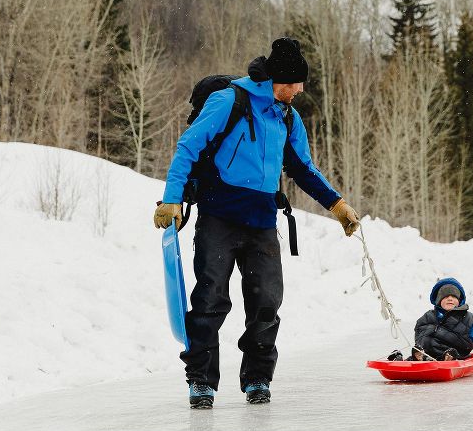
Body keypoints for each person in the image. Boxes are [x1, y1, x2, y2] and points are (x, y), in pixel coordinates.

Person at [153, 37, 360, 408]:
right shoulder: (228, 101)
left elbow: (302, 169)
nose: (299, 90)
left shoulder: (288, 116)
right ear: (276, 79)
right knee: (210, 301)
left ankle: (258, 378)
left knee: (266, 302)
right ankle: (201, 380)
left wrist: (337, 205)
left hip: (262, 220)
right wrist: (173, 199)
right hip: (219, 217)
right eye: (295, 83)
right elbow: (188, 146)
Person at [387, 277, 473, 362]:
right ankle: (400, 359)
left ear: (460, 300)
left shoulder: (469, 319)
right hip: (426, 353)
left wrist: (442, 334)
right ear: (439, 300)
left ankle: (446, 358)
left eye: (454, 296)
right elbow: (419, 334)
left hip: (452, 355)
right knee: (419, 355)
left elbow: (468, 344)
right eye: (446, 296)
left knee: (449, 354)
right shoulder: (428, 316)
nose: (450, 299)